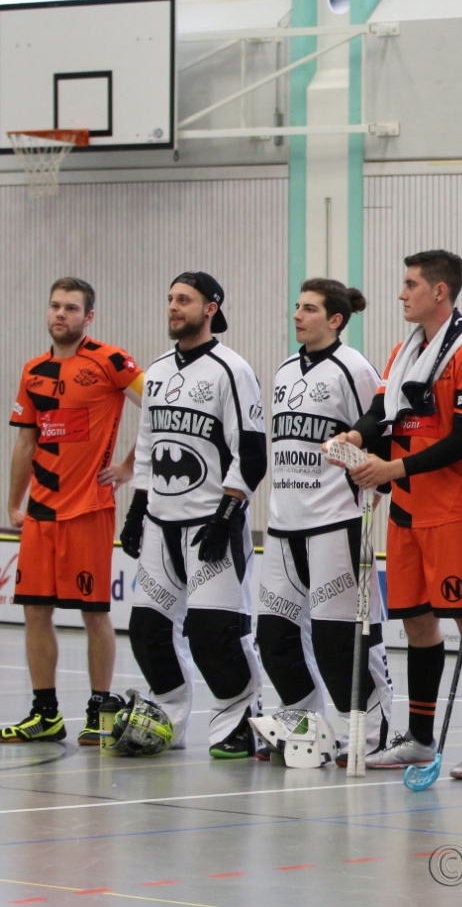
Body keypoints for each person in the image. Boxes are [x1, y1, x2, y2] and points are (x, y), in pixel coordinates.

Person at [329, 250, 462, 776]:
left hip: (452, 511)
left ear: (439, 291)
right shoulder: (402, 352)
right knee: (417, 625)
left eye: (410, 285)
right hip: (406, 511)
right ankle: (421, 738)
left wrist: (393, 469)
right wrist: (354, 437)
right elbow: (382, 414)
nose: (402, 294)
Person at [120, 272, 268, 757]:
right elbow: (147, 447)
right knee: (147, 631)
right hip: (160, 524)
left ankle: (240, 722)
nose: (173, 306)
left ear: (210, 308)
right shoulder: (158, 370)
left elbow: (251, 453)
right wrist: (136, 510)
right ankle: (168, 718)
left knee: (214, 635)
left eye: (184, 299)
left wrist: (226, 515)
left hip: (211, 524)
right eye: (169, 298)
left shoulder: (232, 370)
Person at [256, 279, 391, 762]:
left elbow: (381, 434)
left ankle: (369, 735)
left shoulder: (354, 368)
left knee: (340, 642)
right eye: (297, 306)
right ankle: (305, 729)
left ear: (335, 320)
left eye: (309, 309)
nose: (297, 315)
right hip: (282, 524)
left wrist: (372, 488)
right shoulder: (284, 370)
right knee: (274, 636)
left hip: (335, 521)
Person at [2, 278, 142, 745]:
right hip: (41, 512)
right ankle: (45, 715)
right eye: (55, 306)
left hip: (88, 510)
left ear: (88, 317)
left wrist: (129, 466)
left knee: (94, 614)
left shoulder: (111, 361)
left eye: (71, 308)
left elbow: (160, 406)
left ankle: (99, 711)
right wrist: (14, 502)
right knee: (35, 611)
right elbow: (26, 441)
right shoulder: (33, 370)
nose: (60, 314)